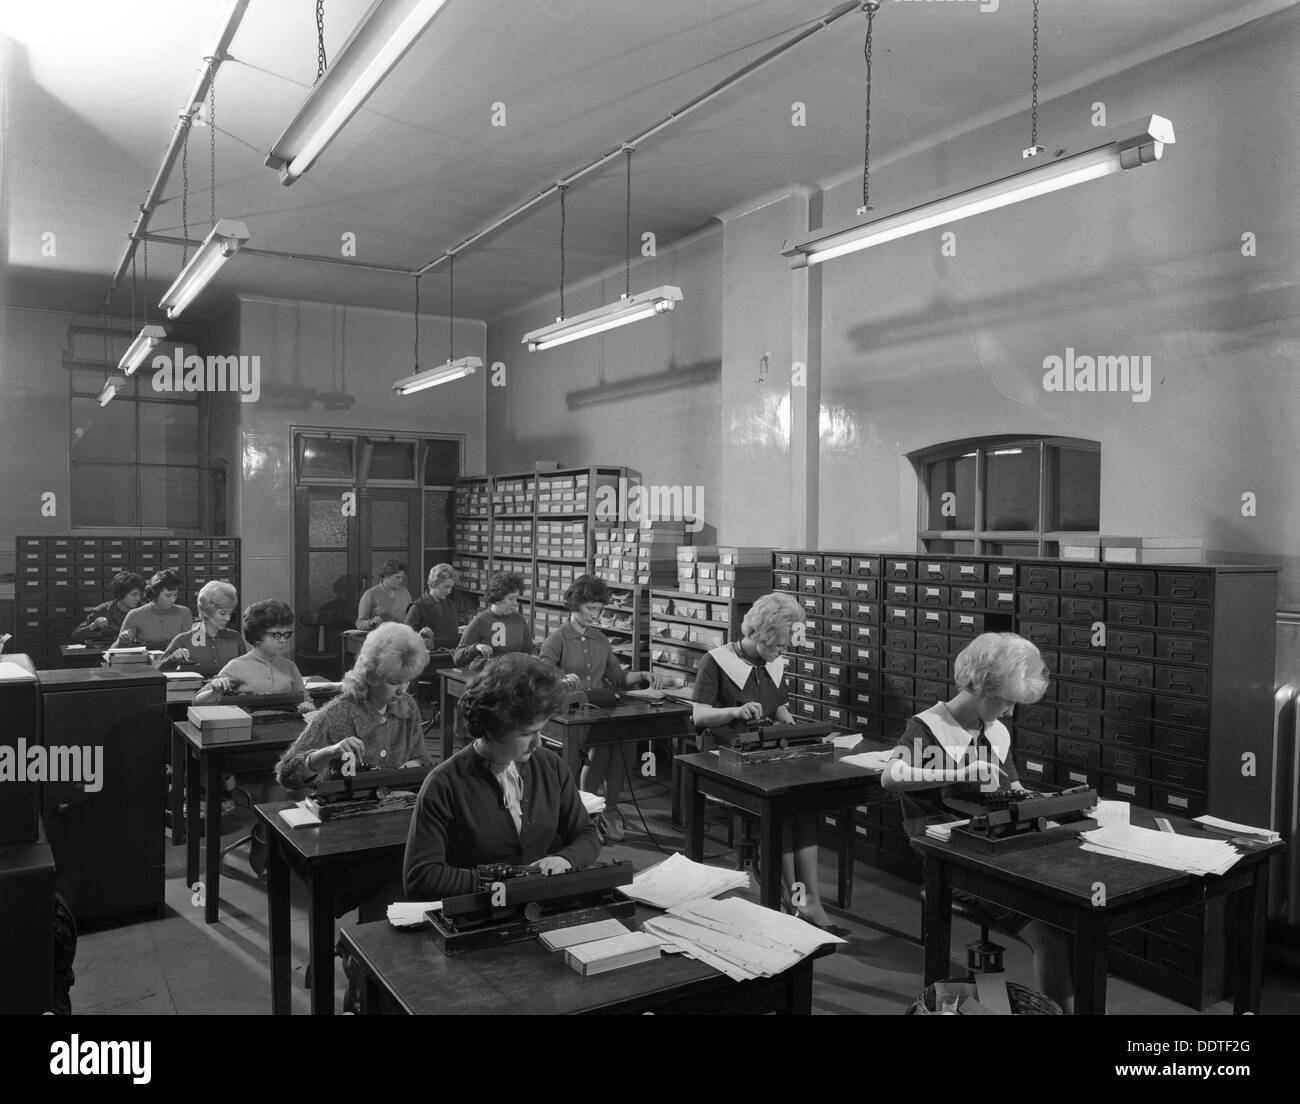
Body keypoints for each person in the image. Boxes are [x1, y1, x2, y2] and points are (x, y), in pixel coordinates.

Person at [880, 631, 1074, 1012]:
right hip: (948, 857)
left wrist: (1045, 803)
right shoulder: (929, 727)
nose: (1011, 712)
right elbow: (890, 776)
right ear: (986, 688)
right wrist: (958, 771)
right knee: (1050, 934)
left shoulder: (995, 732)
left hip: (993, 846)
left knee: (1071, 916)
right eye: (1007, 701)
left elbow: (1012, 786)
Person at [691, 590, 843, 932]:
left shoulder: (773, 661)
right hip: (723, 757)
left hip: (764, 755)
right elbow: (699, 716)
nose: (782, 653)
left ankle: (810, 902)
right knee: (782, 813)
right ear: (761, 634)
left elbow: (777, 708)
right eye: (778, 646)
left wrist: (797, 726)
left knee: (804, 809)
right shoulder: (715, 662)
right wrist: (735, 710)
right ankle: (796, 902)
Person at [403, 654, 601, 900]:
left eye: (539, 731)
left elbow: (587, 834)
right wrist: (505, 878)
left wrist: (566, 858)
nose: (537, 743)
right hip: (479, 913)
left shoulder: (551, 766)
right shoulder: (443, 784)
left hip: (543, 904)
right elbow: (421, 877)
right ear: (494, 727)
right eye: (528, 734)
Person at [539, 574, 650, 842]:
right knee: (601, 748)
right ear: (574, 606)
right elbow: (541, 674)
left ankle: (609, 812)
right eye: (590, 608)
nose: (595, 614)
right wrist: (562, 679)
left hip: (598, 708)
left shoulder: (600, 639)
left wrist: (643, 676)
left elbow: (618, 677)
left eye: (599, 609)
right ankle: (589, 815)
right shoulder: (557, 639)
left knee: (621, 745)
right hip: (568, 712)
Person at [276, 623, 432, 790]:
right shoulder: (336, 714)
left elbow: (422, 759)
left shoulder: (407, 707)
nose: (402, 691)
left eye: (407, 681)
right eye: (394, 682)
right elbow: (287, 775)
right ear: (372, 675)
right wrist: (328, 752)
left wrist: (398, 776)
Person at [193, 599, 312, 710]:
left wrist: (306, 706)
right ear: (257, 636)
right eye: (276, 635)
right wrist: (214, 690)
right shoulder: (236, 666)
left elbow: (305, 700)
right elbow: (197, 702)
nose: (283, 640)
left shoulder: (290, 667)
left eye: (286, 634)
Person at [157, 580, 247, 676]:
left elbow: (246, 669)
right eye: (222, 613)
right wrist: (173, 659)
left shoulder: (235, 638)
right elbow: (158, 671)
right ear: (205, 611)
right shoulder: (183, 640)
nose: (228, 618)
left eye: (230, 613)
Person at [452, 572, 536, 668]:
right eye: (511, 599)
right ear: (497, 598)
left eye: (516, 598)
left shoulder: (519, 620)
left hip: (514, 674)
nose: (515, 603)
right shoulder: (480, 621)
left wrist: (533, 658)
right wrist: (476, 648)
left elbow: (530, 649)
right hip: (489, 676)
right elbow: (457, 658)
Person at [111, 568, 192, 649]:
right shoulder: (135, 615)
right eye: (168, 595)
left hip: (177, 660)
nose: (173, 600)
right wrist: (123, 641)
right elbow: (113, 651)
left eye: (175, 595)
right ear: (155, 594)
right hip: (145, 661)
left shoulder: (184, 613)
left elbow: (190, 646)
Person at [70, 571, 144, 643]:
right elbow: (75, 636)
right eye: (134, 595)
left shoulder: (144, 609)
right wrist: (93, 626)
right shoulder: (102, 611)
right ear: (121, 594)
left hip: (138, 654)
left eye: (140, 595)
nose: (138, 598)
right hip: (107, 653)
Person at [405, 564, 461, 651]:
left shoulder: (450, 605)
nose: (449, 592)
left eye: (451, 587)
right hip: (428, 659)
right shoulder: (417, 607)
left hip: (451, 657)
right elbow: (407, 640)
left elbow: (454, 635)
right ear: (435, 583)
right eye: (446, 587)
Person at [356, 560, 413, 630]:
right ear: (386, 576)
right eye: (397, 577)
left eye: (402, 578)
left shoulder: (405, 592)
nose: (401, 581)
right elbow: (359, 623)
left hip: (402, 636)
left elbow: (411, 618)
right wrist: (371, 623)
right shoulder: (370, 595)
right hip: (380, 637)